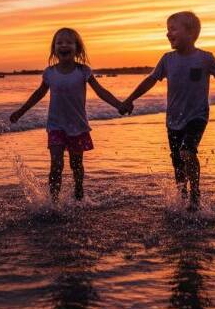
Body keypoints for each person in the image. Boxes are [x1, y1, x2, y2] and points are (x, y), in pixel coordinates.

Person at [123, 11, 215, 211]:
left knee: (187, 151)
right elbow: (150, 80)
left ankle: (195, 194)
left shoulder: (205, 58)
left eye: (173, 29)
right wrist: (129, 100)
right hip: (173, 119)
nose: (168, 34)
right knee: (177, 162)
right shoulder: (167, 60)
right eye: (167, 30)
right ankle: (181, 197)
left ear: (190, 32)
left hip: (197, 116)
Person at [10, 28, 129, 202]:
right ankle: (53, 202)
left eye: (68, 42)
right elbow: (38, 94)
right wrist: (20, 112)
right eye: (59, 43)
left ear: (77, 48)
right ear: (54, 49)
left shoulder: (83, 71)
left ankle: (79, 193)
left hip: (77, 126)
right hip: (55, 126)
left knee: (76, 165)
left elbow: (100, 91)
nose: (63, 45)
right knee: (56, 165)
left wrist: (119, 104)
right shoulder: (50, 73)